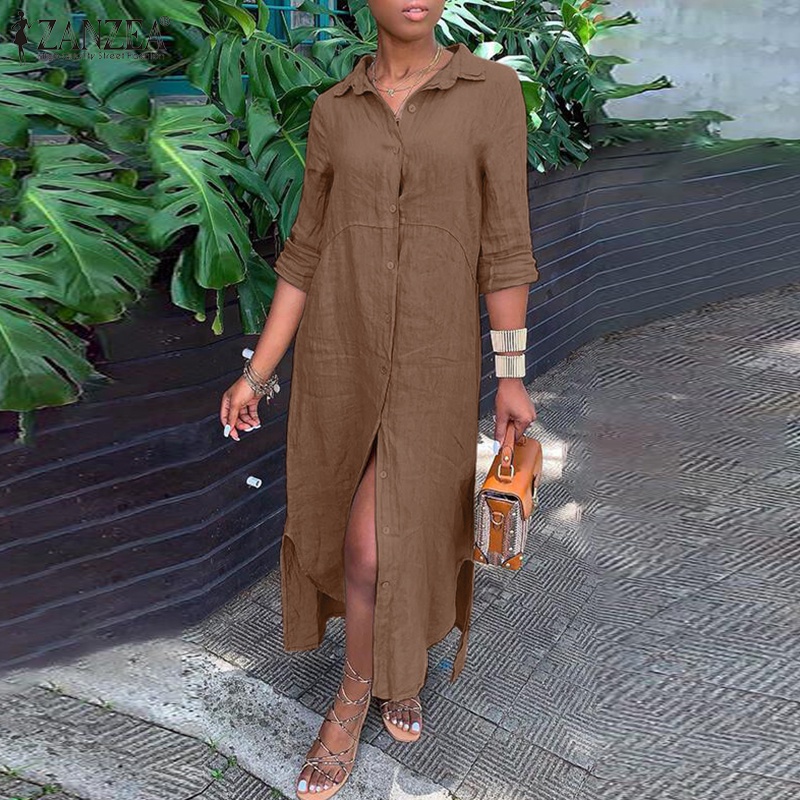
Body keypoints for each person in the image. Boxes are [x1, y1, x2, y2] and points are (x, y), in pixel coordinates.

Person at [219, 2, 539, 797]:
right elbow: (306, 251)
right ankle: (398, 672)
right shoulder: (336, 110)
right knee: (354, 531)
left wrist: (510, 373)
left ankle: (354, 696)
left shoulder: (491, 92)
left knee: (381, 542)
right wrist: (258, 374)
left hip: (434, 363)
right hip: (341, 354)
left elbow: (505, 246)